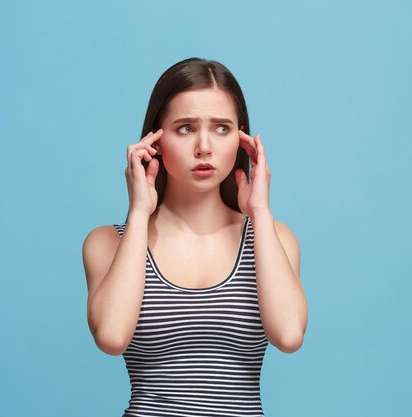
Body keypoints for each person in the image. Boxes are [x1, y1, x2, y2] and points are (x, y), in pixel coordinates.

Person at [82, 57, 308, 417]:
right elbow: (111, 337)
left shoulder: (273, 237)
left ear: (241, 139)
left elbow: (289, 336)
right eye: (185, 128)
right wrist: (139, 212)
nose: (204, 146)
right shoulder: (108, 241)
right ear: (154, 139)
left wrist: (260, 213)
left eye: (221, 128)